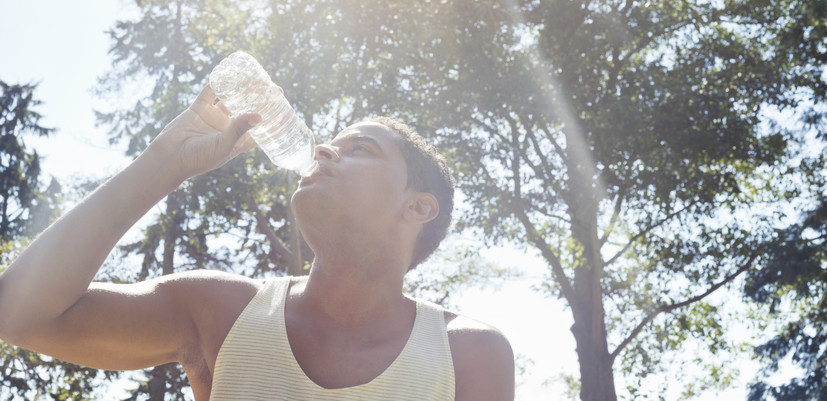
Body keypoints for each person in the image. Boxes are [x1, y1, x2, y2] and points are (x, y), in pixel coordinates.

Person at [0, 85, 515, 400]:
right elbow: (19, 315)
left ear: (419, 206)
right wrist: (164, 164)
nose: (324, 152)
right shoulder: (218, 312)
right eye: (329, 144)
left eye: (359, 148)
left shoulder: (468, 353)